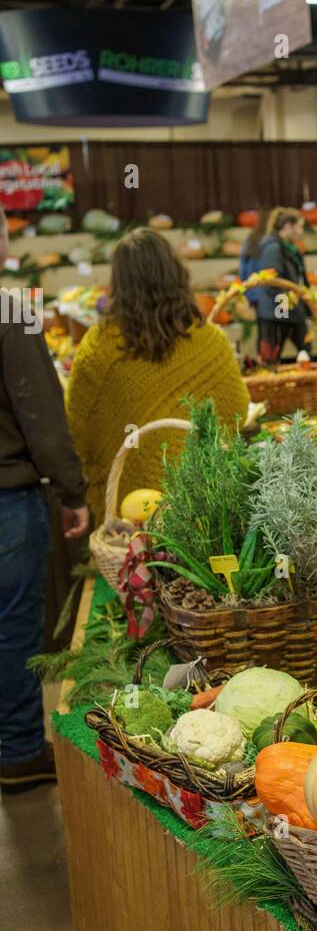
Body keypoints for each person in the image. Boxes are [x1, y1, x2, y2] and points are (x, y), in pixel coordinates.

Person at [66, 228, 250, 525]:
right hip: (198, 504)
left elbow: (78, 430)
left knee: (133, 570)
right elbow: (236, 412)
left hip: (126, 511)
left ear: (118, 282)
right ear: (176, 273)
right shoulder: (210, 341)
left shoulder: (98, 347)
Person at [0, 206, 89, 794]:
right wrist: (72, 489)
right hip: (8, 499)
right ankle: (18, 751)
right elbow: (42, 416)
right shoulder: (11, 310)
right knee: (13, 628)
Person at [255, 207, 310, 364]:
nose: (301, 231)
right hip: (277, 311)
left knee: (305, 346)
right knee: (272, 353)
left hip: (290, 309)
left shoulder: (289, 247)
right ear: (287, 226)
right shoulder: (273, 248)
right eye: (299, 226)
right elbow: (272, 283)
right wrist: (285, 310)